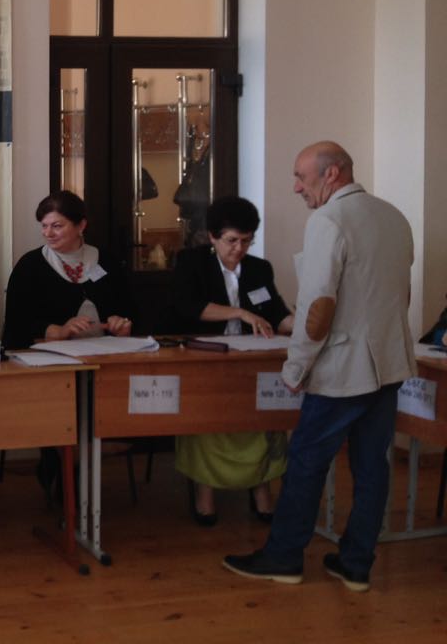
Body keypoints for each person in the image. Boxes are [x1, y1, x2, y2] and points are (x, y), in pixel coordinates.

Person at [224, 141, 415, 592]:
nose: (296, 187)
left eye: (300, 176)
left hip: (341, 371)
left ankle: (283, 557)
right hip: (389, 366)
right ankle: (356, 564)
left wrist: (295, 369)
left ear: (332, 174)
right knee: (373, 468)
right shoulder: (394, 216)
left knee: (307, 463)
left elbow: (318, 308)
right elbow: (400, 296)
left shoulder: (329, 220)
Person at [171, 196, 295, 526]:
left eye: (246, 241)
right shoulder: (191, 262)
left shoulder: (259, 269)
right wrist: (240, 312)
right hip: (204, 361)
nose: (239, 248)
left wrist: (304, 324)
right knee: (209, 415)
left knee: (266, 411)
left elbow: (277, 315)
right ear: (213, 237)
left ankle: (261, 487)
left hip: (249, 363)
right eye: (232, 241)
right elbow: (188, 306)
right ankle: (205, 490)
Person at [2, 190, 136, 349]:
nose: (48, 233)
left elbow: (130, 312)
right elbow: (16, 324)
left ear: (81, 226)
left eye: (56, 226)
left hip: (106, 355)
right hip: (49, 359)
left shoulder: (108, 262)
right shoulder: (29, 266)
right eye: (44, 226)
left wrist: (122, 325)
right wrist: (58, 331)